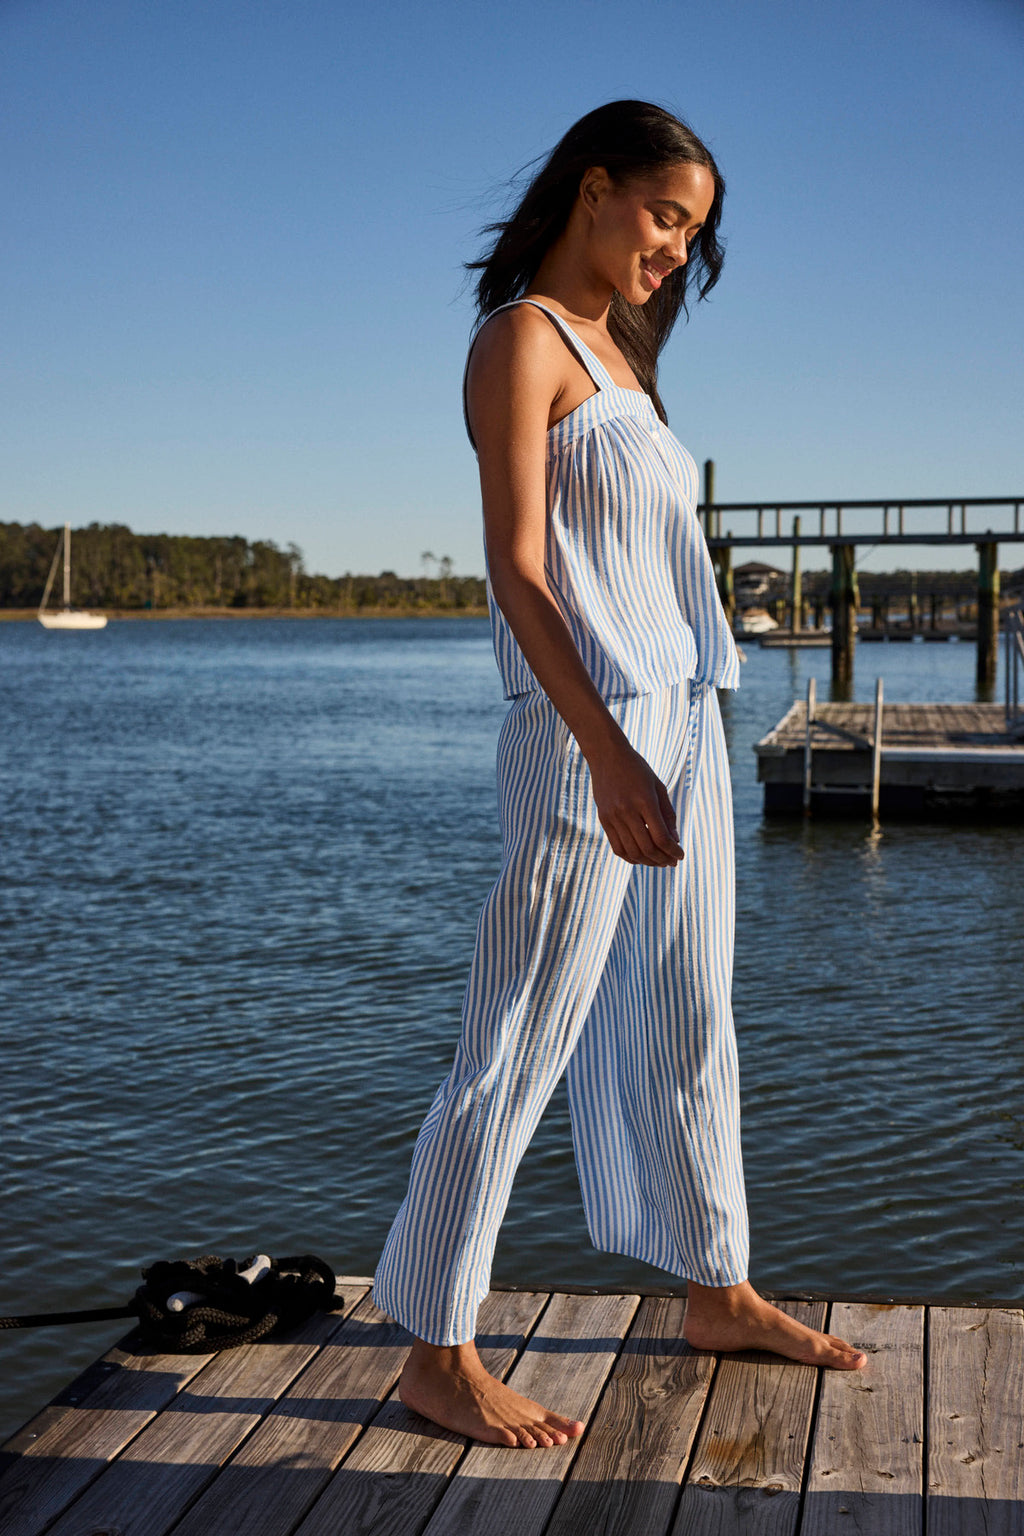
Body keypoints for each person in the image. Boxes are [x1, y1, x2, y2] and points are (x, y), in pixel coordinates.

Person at [373, 99, 867, 1450]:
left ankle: (717, 1286)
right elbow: (522, 573)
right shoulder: (521, 343)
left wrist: (668, 741)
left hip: (685, 712)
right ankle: (434, 1346)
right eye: (664, 216)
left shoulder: (622, 358)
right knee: (518, 1034)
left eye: (690, 234)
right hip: (584, 728)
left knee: (690, 1014)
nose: (673, 252)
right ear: (593, 190)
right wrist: (605, 754)